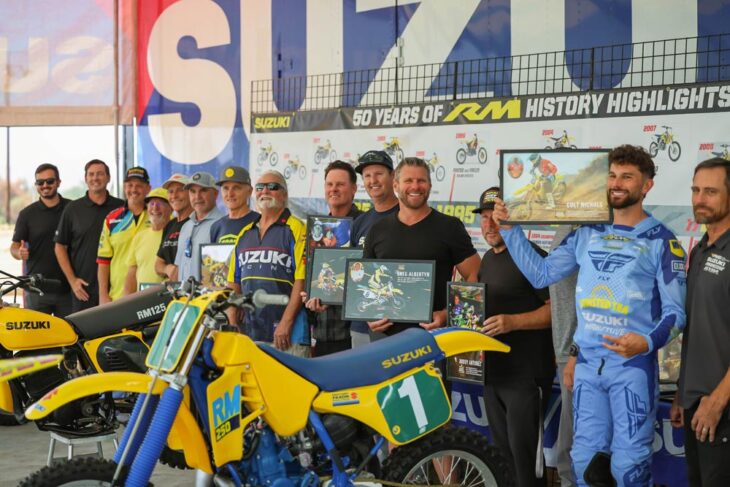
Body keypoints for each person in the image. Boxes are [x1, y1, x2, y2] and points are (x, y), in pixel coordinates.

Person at [492, 144, 686, 486]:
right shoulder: (587, 233)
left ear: (646, 186)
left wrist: (645, 342)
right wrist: (510, 230)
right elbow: (541, 274)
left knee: (628, 468)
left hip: (631, 368)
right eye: (612, 175)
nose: (617, 183)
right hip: (587, 368)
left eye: (628, 177)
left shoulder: (662, 241)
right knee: (584, 464)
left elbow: (675, 312)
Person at [474, 186, 554, 487]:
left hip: (526, 377)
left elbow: (555, 313)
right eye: (484, 218)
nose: (489, 225)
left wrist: (514, 322)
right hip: (493, 375)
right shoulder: (487, 260)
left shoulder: (532, 256)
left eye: (495, 217)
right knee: (504, 458)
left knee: (525, 462)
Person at [364, 157, 480, 336]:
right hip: (386, 341)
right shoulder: (377, 230)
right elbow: (366, 281)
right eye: (408, 181)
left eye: (421, 181)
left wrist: (448, 313)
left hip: (435, 338)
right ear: (395, 185)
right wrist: (370, 317)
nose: (415, 186)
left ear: (430, 185)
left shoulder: (450, 226)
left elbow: (475, 275)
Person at [672, 157, 730, 485]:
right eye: (695, 190)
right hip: (697, 404)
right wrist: (683, 393)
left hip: (722, 408)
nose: (699, 199)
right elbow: (696, 327)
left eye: (710, 191)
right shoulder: (700, 250)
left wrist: (718, 400)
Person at [227, 170, 310, 357]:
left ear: (285, 194)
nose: (265, 191)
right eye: (260, 187)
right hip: (250, 333)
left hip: (289, 335)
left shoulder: (297, 229)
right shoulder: (244, 234)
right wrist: (232, 321)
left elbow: (302, 279)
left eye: (273, 187)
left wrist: (286, 323)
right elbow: (233, 282)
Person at [303, 161, 362, 356]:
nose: (333, 189)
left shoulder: (366, 226)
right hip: (322, 333)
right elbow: (311, 274)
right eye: (329, 184)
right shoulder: (317, 230)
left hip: (357, 333)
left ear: (354, 188)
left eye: (340, 184)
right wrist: (309, 295)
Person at [55, 159, 124, 312]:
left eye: (100, 174)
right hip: (83, 290)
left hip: (116, 289)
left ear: (108, 178)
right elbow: (59, 246)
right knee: (84, 335)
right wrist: (73, 281)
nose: (95, 178)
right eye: (91, 174)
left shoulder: (121, 208)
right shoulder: (73, 209)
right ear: (86, 179)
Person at [348, 150, 399, 346]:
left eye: (379, 174)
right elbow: (354, 273)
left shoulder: (407, 216)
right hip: (362, 325)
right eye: (367, 176)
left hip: (399, 324)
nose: (372, 180)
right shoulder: (360, 222)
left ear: (393, 176)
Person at [11, 163, 71, 316]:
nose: (45, 185)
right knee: (37, 339)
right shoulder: (27, 214)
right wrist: (19, 253)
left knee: (70, 337)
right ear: (36, 185)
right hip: (36, 290)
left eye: (50, 181)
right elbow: (14, 247)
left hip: (68, 289)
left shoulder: (72, 209)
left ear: (58, 182)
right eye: (40, 182)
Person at [549, 225, 579, 487]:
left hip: (580, 355)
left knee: (573, 446)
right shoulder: (565, 227)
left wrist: (575, 353)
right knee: (568, 446)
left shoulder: (594, 226)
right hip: (564, 350)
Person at [97, 167, 151, 303]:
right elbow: (103, 261)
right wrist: (103, 295)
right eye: (130, 185)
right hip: (119, 296)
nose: (134, 189)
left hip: (151, 293)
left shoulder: (158, 214)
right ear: (124, 187)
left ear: (148, 188)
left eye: (139, 185)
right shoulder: (112, 218)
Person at [174, 171, 223, 282]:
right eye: (192, 191)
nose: (197, 197)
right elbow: (179, 266)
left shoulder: (222, 225)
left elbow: (220, 275)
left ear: (215, 194)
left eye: (203, 190)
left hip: (206, 297)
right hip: (183, 297)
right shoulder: (185, 226)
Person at [123, 188, 172, 295]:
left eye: (160, 203)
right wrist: (125, 303)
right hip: (142, 300)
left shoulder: (176, 234)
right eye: (152, 203)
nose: (155, 208)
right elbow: (132, 273)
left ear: (171, 207)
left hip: (167, 299)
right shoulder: (139, 237)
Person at [155, 173, 193, 281]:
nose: (174, 196)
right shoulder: (170, 225)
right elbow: (157, 265)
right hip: (171, 293)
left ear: (191, 193)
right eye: (171, 192)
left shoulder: (198, 223)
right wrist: (167, 269)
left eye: (180, 190)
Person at [210, 166, 258, 244]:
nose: (230, 194)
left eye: (236, 188)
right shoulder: (216, 227)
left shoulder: (260, 222)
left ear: (249, 191)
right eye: (225, 188)